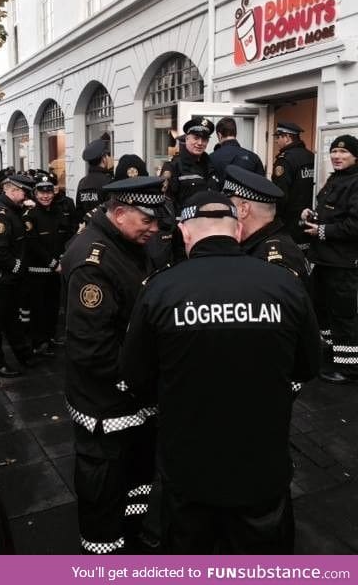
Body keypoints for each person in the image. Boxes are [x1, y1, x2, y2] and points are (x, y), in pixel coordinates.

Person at [118, 190, 320, 554]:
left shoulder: (161, 289)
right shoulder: (283, 285)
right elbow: (308, 365)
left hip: (189, 466)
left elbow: (136, 376)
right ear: (238, 230)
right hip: (262, 462)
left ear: (184, 232)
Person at [61, 176, 165, 555]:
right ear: (120, 213)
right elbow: (92, 349)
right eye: (148, 221)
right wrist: (140, 377)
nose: (155, 230)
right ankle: (103, 553)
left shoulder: (125, 244)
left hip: (130, 399)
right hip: (106, 401)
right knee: (103, 487)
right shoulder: (94, 261)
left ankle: (133, 538)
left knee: (134, 478)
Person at [302, 134, 358, 384]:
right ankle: (333, 349)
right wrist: (312, 214)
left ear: (355, 157)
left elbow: (354, 224)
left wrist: (322, 231)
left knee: (343, 314)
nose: (337, 156)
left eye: (344, 153)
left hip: (343, 262)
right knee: (320, 307)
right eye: (334, 151)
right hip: (324, 260)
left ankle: (349, 368)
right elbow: (330, 212)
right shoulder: (336, 179)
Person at [0, 173, 39, 377]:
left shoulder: (13, 210)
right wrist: (16, 267)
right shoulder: (1, 215)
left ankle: (24, 355)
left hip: (8, 278)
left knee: (12, 319)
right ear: (13, 190)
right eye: (24, 192)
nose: (25, 197)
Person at [222, 165, 310, 285]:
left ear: (243, 209)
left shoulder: (272, 258)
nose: (225, 211)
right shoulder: (262, 244)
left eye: (229, 205)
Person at [23, 172, 74, 356]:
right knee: (39, 309)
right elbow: (33, 243)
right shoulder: (30, 214)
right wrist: (53, 263)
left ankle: (50, 337)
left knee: (53, 306)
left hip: (56, 269)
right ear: (35, 193)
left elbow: (65, 236)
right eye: (41, 192)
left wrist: (63, 257)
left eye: (49, 192)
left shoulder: (58, 211)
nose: (46, 196)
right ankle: (39, 343)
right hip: (37, 270)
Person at [272, 122, 314, 248]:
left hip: (289, 221)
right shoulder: (310, 156)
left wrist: (275, 218)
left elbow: (280, 193)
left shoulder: (285, 160)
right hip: (309, 217)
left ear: (287, 137)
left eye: (278, 137)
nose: (276, 141)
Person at [168, 116, 219, 213]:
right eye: (196, 138)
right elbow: (169, 204)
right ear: (187, 139)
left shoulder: (211, 165)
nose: (200, 143)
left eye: (204, 139)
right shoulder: (175, 166)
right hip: (186, 224)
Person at [210, 116, 265, 186]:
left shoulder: (211, 158)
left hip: (218, 196)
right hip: (246, 196)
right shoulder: (253, 157)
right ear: (235, 133)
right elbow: (261, 185)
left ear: (219, 135)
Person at [75, 137, 113, 223]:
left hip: (87, 232)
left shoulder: (82, 183)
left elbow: (78, 213)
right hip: (104, 232)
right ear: (104, 158)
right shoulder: (109, 182)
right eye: (108, 156)